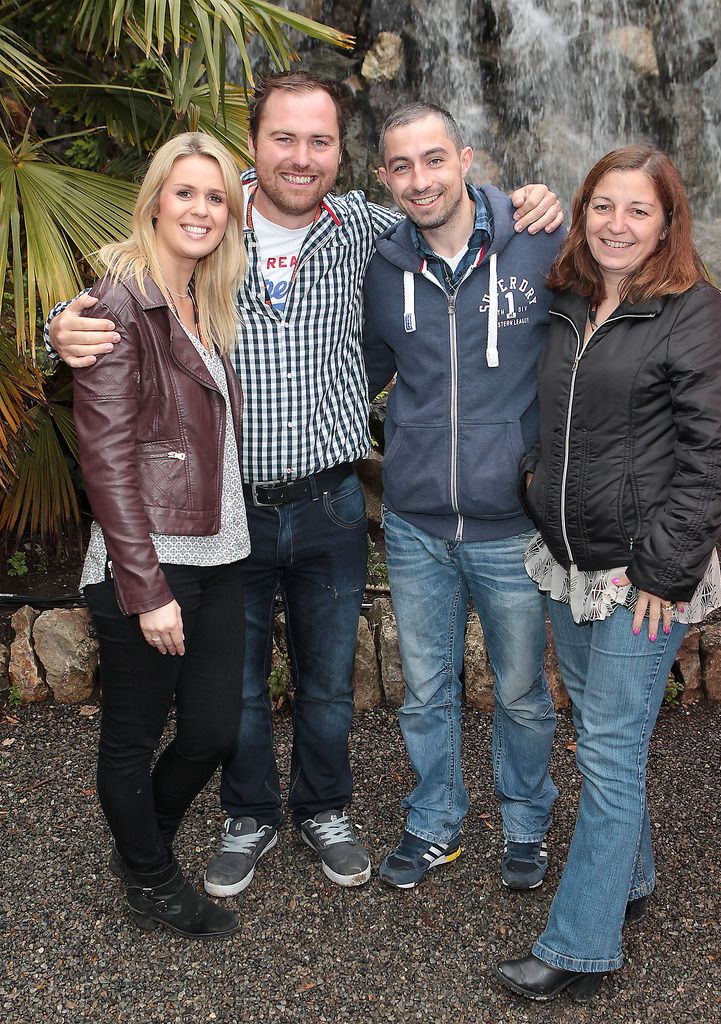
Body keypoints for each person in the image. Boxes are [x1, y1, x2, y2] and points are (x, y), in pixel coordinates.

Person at [47, 72, 563, 897]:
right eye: (284, 138)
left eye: (320, 141)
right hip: (230, 512)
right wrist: (63, 325)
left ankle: (325, 807)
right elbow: (126, 289)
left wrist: (527, 201)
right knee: (239, 690)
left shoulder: (367, 228)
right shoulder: (208, 219)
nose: (302, 156)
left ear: (344, 154)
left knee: (327, 684)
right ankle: (248, 816)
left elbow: (451, 209)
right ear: (253, 144)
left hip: (329, 500)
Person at [495, 145, 721, 1002]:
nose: (618, 225)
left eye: (639, 210)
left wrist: (664, 575)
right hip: (569, 561)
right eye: (603, 205)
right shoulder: (570, 295)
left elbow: (714, 458)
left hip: (643, 578)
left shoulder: (694, 310)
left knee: (606, 753)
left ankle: (579, 945)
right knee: (603, 739)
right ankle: (628, 881)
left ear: (668, 220)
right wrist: (534, 481)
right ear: (582, 210)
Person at [363, 103, 565, 890]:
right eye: (403, 167)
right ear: (384, 177)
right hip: (414, 524)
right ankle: (435, 820)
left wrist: (556, 199)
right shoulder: (381, 267)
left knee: (519, 692)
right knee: (424, 690)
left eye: (435, 160)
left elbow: (626, 241)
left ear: (467, 158)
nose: (421, 180)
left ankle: (525, 823)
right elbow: (375, 369)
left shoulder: (541, 236)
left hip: (511, 526)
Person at [73, 133, 250, 937]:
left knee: (214, 728)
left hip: (218, 552)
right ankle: (148, 878)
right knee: (134, 735)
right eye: (186, 193)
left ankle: (141, 843)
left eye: (216, 197)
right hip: (150, 560)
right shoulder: (119, 303)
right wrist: (145, 590)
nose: (202, 209)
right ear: (154, 203)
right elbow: (106, 461)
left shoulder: (202, 300)